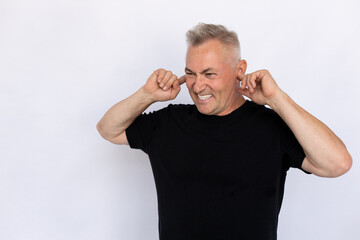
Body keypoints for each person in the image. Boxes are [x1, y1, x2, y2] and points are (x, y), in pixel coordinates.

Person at [97, 23, 352, 240]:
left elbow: (337, 164)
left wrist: (277, 98)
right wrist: (147, 95)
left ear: (239, 70)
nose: (197, 86)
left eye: (209, 74)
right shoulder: (168, 123)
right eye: (190, 73)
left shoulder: (271, 126)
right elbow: (108, 129)